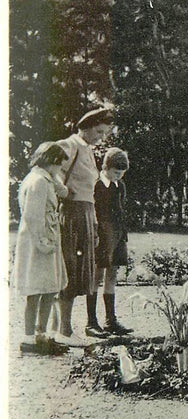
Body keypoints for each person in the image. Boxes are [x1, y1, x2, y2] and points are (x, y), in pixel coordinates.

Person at [53, 107, 114, 346]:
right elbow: (53, 170)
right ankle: (64, 330)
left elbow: (90, 189)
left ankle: (63, 328)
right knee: (70, 269)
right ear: (87, 127)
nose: (101, 137)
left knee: (81, 271)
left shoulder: (87, 149)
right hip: (73, 213)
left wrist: (95, 222)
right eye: (98, 131)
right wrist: (64, 192)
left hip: (87, 213)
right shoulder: (70, 144)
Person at [14, 142, 70, 354]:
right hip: (39, 243)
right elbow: (33, 216)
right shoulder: (38, 182)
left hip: (46, 240)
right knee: (36, 290)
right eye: (59, 166)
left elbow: (64, 193)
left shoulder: (45, 179)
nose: (60, 170)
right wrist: (44, 242)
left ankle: (41, 334)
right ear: (51, 162)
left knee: (48, 288)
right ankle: (30, 338)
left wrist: (56, 179)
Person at [86, 147, 134, 337]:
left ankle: (110, 320)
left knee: (112, 277)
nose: (118, 177)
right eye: (116, 173)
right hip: (101, 236)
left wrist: (122, 235)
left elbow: (121, 210)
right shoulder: (96, 185)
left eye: (121, 174)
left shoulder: (119, 186)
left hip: (117, 235)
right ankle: (91, 322)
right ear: (106, 167)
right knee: (96, 278)